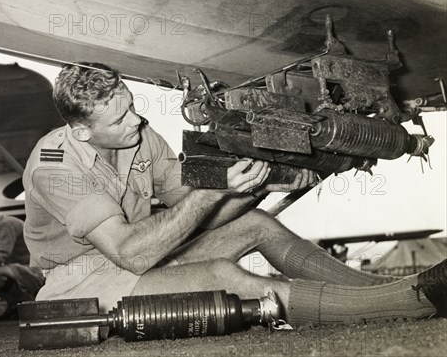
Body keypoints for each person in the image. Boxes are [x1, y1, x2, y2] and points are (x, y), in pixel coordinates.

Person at [23, 62, 446, 326]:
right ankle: (410, 301)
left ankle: (395, 290)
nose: (137, 119)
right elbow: (131, 253)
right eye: (120, 117)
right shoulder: (54, 166)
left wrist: (258, 184)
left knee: (257, 223)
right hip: (80, 283)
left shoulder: (139, 137)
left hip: (143, 253)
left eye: (132, 105)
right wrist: (212, 192)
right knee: (227, 280)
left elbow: (187, 216)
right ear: (81, 131)